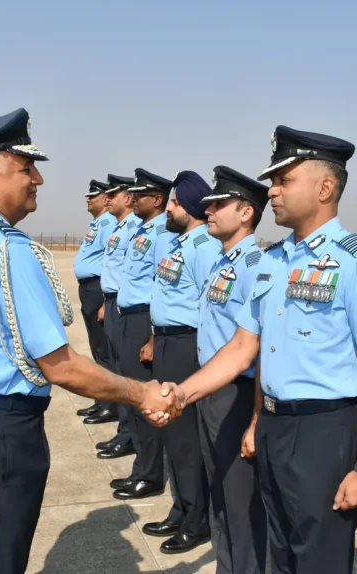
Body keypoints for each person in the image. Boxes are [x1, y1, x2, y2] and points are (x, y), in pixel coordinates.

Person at [0, 109, 179, 574]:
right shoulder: (5, 248)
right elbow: (60, 366)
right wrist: (141, 392)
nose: (37, 178)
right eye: (25, 168)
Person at [154, 126, 357, 573]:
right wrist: (184, 395)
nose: (273, 190)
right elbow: (245, 347)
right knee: (278, 553)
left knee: (317, 558)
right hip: (272, 427)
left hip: (324, 431)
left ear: (325, 187)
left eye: (285, 180)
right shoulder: (272, 261)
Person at [138, 171, 219, 554]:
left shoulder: (203, 246)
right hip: (168, 343)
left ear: (189, 206)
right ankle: (181, 507)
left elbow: (207, 303)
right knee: (171, 434)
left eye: (173, 202)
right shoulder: (180, 242)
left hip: (188, 345)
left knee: (186, 439)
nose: (168, 208)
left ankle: (197, 520)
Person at [196, 165, 270, 573]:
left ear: (245, 213)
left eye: (219, 204)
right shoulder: (221, 261)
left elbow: (253, 348)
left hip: (238, 394)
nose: (209, 210)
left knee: (241, 503)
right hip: (213, 390)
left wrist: (255, 417)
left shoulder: (254, 265)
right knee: (220, 496)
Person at [110, 168, 177, 500]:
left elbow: (162, 287)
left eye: (141, 194)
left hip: (143, 322)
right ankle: (142, 466)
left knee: (143, 397)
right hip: (128, 317)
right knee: (130, 392)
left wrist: (152, 336)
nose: (133, 198)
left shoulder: (163, 233)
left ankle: (150, 474)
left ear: (158, 199)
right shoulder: (143, 230)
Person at [94, 173, 142, 459]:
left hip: (128, 307)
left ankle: (128, 435)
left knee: (126, 372)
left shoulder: (138, 228)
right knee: (115, 367)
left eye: (114, 194)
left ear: (128, 198)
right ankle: (124, 431)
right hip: (113, 302)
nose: (107, 199)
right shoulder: (119, 227)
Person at [72, 179, 117, 424]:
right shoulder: (98, 223)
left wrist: (104, 301)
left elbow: (111, 261)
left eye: (93, 195)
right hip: (89, 289)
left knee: (105, 349)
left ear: (106, 199)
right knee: (98, 349)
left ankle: (110, 405)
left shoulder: (109, 223)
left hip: (98, 289)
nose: (88, 199)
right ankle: (102, 401)